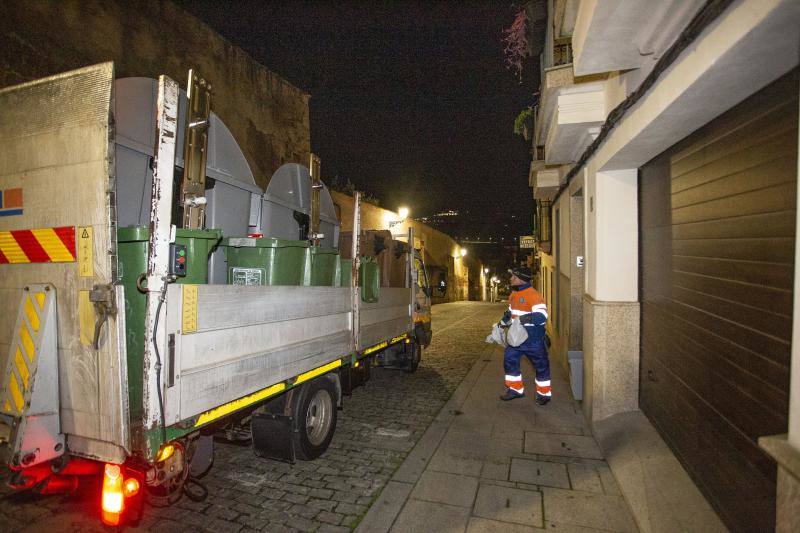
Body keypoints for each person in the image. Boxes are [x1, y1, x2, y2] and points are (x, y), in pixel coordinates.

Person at [499, 267, 551, 405]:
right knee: (509, 361)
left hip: (533, 340)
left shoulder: (533, 295)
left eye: (513, 277)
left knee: (541, 366)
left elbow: (542, 316)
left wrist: (523, 320)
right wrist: (501, 324)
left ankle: (544, 394)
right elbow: (511, 313)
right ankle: (515, 390)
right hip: (517, 340)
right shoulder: (514, 294)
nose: (511, 279)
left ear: (520, 279)